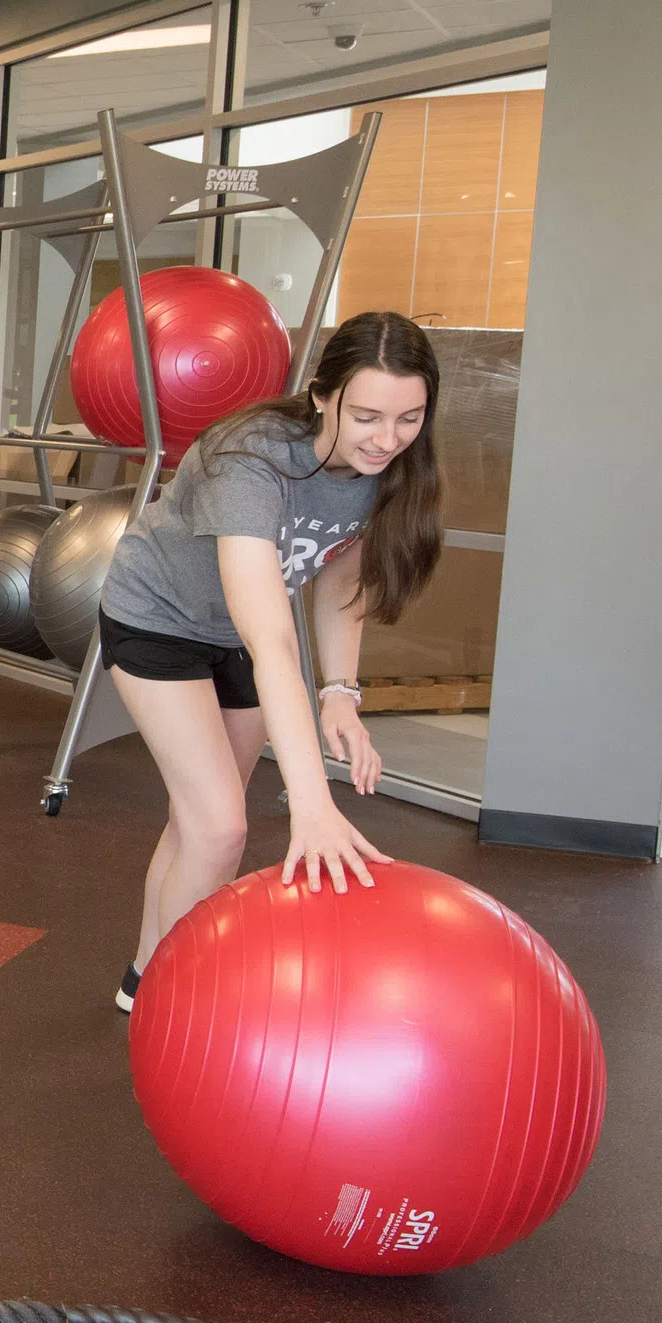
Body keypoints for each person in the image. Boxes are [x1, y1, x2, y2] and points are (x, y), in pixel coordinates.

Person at [98, 310, 443, 1013]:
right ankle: (176, 1004)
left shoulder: (387, 470)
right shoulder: (251, 460)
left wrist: (341, 691)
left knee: (197, 822)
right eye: (367, 416)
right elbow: (274, 645)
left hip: (237, 637)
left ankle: (144, 981)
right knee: (222, 825)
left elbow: (339, 574)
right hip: (158, 620)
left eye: (408, 419)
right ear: (322, 395)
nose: (386, 438)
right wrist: (311, 805)